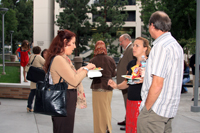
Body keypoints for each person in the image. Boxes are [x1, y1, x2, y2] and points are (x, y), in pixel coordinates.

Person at [137, 11, 184, 133]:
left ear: (152, 25)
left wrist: (146, 108)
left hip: (155, 110)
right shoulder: (176, 46)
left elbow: (157, 83)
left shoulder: (160, 47)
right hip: (168, 110)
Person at [44, 29, 96, 133]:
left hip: (65, 97)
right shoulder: (59, 59)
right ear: (64, 42)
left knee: (65, 128)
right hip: (64, 98)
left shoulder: (62, 58)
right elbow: (74, 80)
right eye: (72, 43)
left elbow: (71, 75)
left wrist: (84, 68)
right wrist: (86, 69)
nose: (74, 46)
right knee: (64, 129)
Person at [108, 37, 151, 133]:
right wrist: (116, 86)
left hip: (143, 102)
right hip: (131, 101)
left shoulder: (151, 64)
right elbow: (126, 82)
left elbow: (156, 82)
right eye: (134, 45)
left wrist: (145, 79)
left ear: (145, 48)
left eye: (137, 46)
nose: (134, 48)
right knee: (131, 129)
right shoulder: (131, 64)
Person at [90, 40, 116, 133]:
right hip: (109, 87)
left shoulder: (93, 60)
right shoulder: (110, 59)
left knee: (98, 111)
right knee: (107, 108)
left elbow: (90, 75)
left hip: (97, 87)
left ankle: (100, 130)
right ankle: (108, 127)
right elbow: (113, 73)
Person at [116, 33, 135, 130]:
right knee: (126, 102)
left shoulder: (131, 49)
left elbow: (132, 67)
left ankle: (129, 122)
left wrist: (127, 81)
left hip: (127, 83)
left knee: (128, 102)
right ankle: (127, 118)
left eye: (121, 41)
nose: (120, 44)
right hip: (125, 82)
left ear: (127, 40)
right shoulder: (128, 50)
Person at [27, 46, 45, 112]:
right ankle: (39, 107)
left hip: (33, 76)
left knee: (32, 92)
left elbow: (28, 63)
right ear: (40, 51)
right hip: (38, 76)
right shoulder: (39, 57)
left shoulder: (31, 56)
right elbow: (45, 63)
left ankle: (29, 106)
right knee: (39, 92)